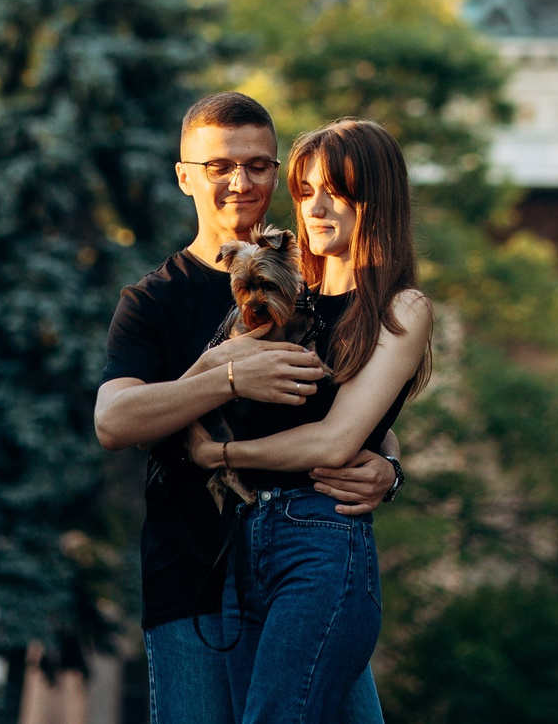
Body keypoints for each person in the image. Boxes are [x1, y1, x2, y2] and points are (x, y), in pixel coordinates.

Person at [95, 93, 401, 724]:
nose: (241, 181)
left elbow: (357, 414)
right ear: (185, 176)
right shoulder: (153, 300)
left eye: (260, 165)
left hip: (302, 580)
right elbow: (115, 420)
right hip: (195, 583)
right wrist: (228, 377)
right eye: (219, 166)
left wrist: (391, 470)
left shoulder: (314, 278)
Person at [182, 119, 432, 724]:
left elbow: (338, 437)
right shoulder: (285, 295)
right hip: (244, 542)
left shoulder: (401, 308)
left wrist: (214, 454)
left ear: (377, 199)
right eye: (304, 189)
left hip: (319, 543)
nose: (314, 207)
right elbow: (202, 386)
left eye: (336, 191)